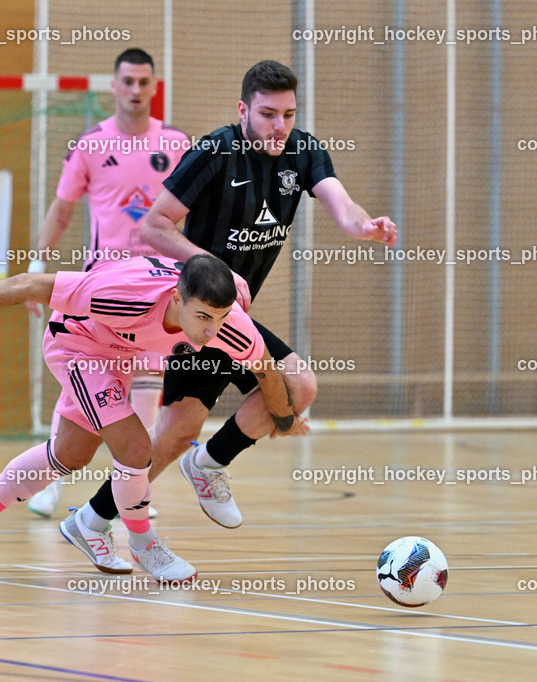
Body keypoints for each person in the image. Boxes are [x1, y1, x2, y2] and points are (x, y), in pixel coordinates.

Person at [64, 59, 398, 566]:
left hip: (235, 322)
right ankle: (91, 520)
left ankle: (206, 464)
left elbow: (341, 203)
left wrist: (362, 226)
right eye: (267, 114)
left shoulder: (303, 151)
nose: (279, 126)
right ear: (243, 110)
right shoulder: (214, 152)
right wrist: (213, 268)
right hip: (196, 318)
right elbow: (153, 227)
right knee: (173, 435)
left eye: (288, 114)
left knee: (298, 388)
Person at [0, 254, 309, 582]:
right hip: (75, 344)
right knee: (135, 448)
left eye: (219, 318)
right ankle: (145, 545)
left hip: (116, 354)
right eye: (202, 317)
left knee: (70, 454)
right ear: (176, 299)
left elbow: (266, 371)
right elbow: (27, 285)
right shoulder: (122, 294)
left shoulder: (229, 325)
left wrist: (285, 421)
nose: (210, 332)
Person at [25, 47, 190, 518]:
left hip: (160, 290)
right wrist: (38, 264)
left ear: (154, 86)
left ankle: (132, 491)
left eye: (143, 81)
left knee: (148, 379)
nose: (135, 90)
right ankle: (50, 482)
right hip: (102, 287)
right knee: (83, 379)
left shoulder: (177, 144)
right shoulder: (91, 144)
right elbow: (61, 211)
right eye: (127, 81)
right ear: (114, 86)